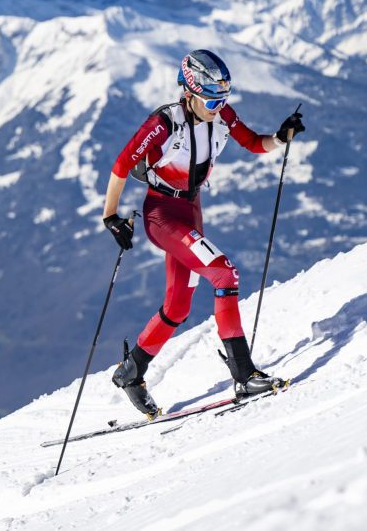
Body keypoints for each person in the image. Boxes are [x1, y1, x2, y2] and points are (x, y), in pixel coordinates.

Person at [101, 49, 305, 417]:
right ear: (190, 92)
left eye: (223, 98)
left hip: (191, 210)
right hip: (163, 215)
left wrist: (281, 136)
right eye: (211, 99)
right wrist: (110, 216)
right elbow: (121, 164)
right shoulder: (164, 124)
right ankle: (243, 375)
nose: (219, 106)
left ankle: (131, 371)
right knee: (225, 273)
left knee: (178, 306)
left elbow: (255, 144)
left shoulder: (222, 115)